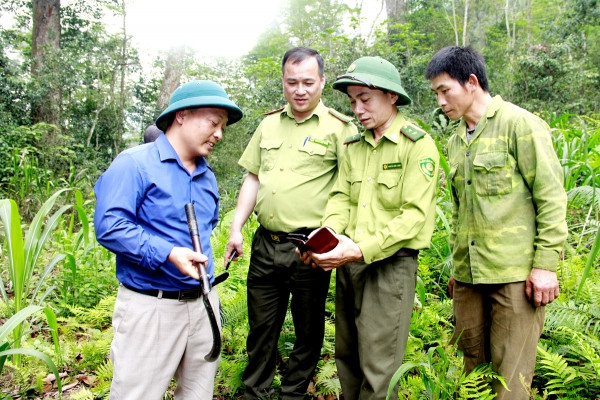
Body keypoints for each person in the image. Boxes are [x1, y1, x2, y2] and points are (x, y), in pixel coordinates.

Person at [425, 46, 568, 399]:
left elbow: (550, 196)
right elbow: (461, 210)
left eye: (446, 90)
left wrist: (546, 266)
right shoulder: (457, 139)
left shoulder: (520, 124)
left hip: (515, 276)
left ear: (471, 82)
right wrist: (459, 266)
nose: (441, 101)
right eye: (436, 94)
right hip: (470, 279)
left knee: (510, 379)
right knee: (473, 370)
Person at [94, 80, 243, 400]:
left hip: (204, 305)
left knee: (197, 394)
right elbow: (110, 225)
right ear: (182, 115)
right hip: (151, 308)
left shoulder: (208, 177)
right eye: (214, 122)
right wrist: (168, 253)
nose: (219, 134)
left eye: (223, 127)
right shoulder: (133, 163)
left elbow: (208, 226)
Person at [302, 56, 439, 399]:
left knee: (379, 368)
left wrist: (361, 249)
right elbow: (340, 199)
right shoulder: (354, 145)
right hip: (349, 265)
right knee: (347, 359)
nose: (357, 109)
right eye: (352, 101)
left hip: (389, 267)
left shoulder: (416, 145)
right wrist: (327, 239)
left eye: (365, 99)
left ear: (391, 96)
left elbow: (414, 216)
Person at [225, 46, 357, 399]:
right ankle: (256, 392)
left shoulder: (340, 129)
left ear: (323, 82)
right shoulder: (269, 124)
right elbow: (252, 177)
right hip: (265, 244)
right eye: (292, 82)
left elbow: (349, 187)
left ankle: (294, 394)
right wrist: (236, 228)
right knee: (261, 328)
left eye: (308, 82)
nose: (300, 90)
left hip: (308, 248)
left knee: (308, 330)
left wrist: (331, 237)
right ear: (283, 82)